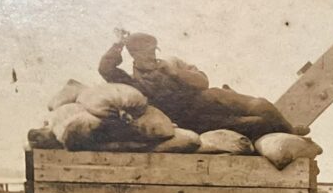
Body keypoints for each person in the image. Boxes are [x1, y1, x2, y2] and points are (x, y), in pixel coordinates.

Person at [99, 31, 308, 139]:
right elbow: (106, 69)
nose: (152, 56)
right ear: (134, 55)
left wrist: (175, 73)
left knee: (258, 103)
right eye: (146, 52)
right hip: (191, 120)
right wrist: (117, 44)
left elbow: (202, 82)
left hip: (204, 100)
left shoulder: (171, 64)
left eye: (154, 50)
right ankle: (278, 129)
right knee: (256, 124)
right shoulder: (133, 83)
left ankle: (289, 129)